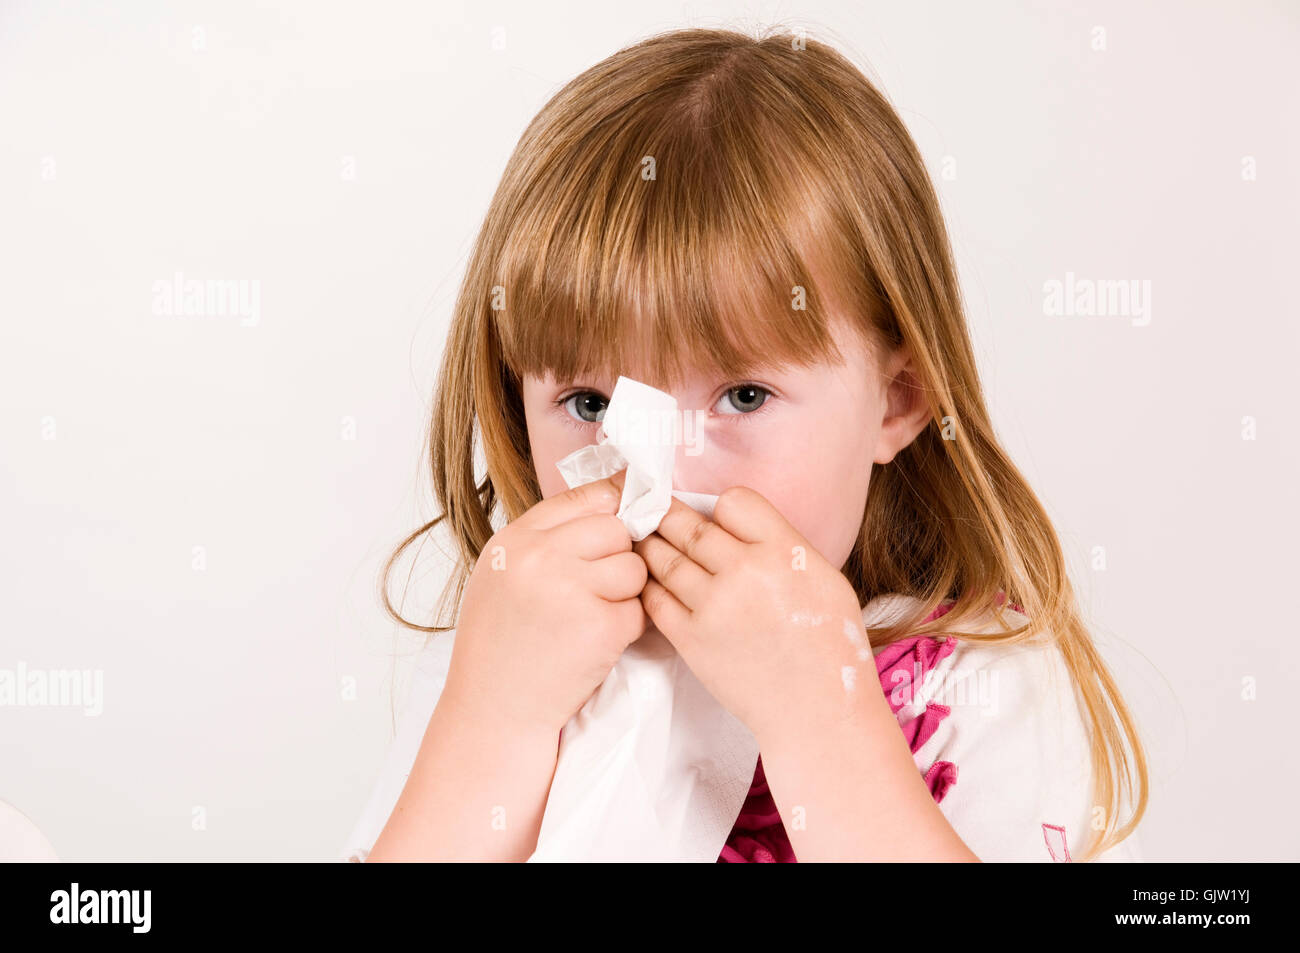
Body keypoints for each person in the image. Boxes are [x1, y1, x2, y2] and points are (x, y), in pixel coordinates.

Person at [341, 26, 1148, 863]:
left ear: (897, 400)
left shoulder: (978, 684)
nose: (661, 473)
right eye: (588, 402)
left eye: (744, 396)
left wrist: (820, 718)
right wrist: (491, 723)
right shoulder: (515, 653)